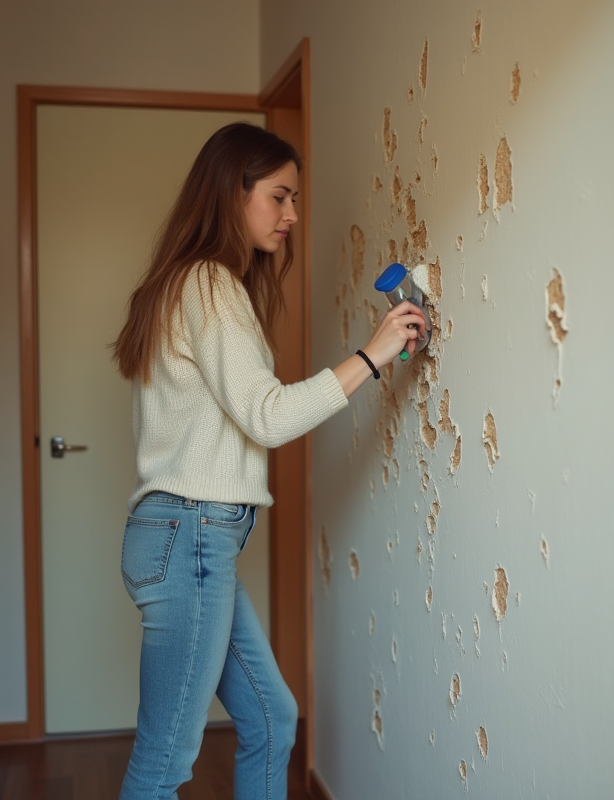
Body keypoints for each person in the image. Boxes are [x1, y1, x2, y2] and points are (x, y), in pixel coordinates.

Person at [112, 122, 426, 800]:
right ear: (234, 191)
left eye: (294, 200)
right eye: (279, 197)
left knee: (270, 718)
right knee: (163, 763)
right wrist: (372, 355)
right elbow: (268, 415)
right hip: (189, 537)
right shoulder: (207, 284)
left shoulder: (190, 285)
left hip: (190, 540)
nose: (290, 216)